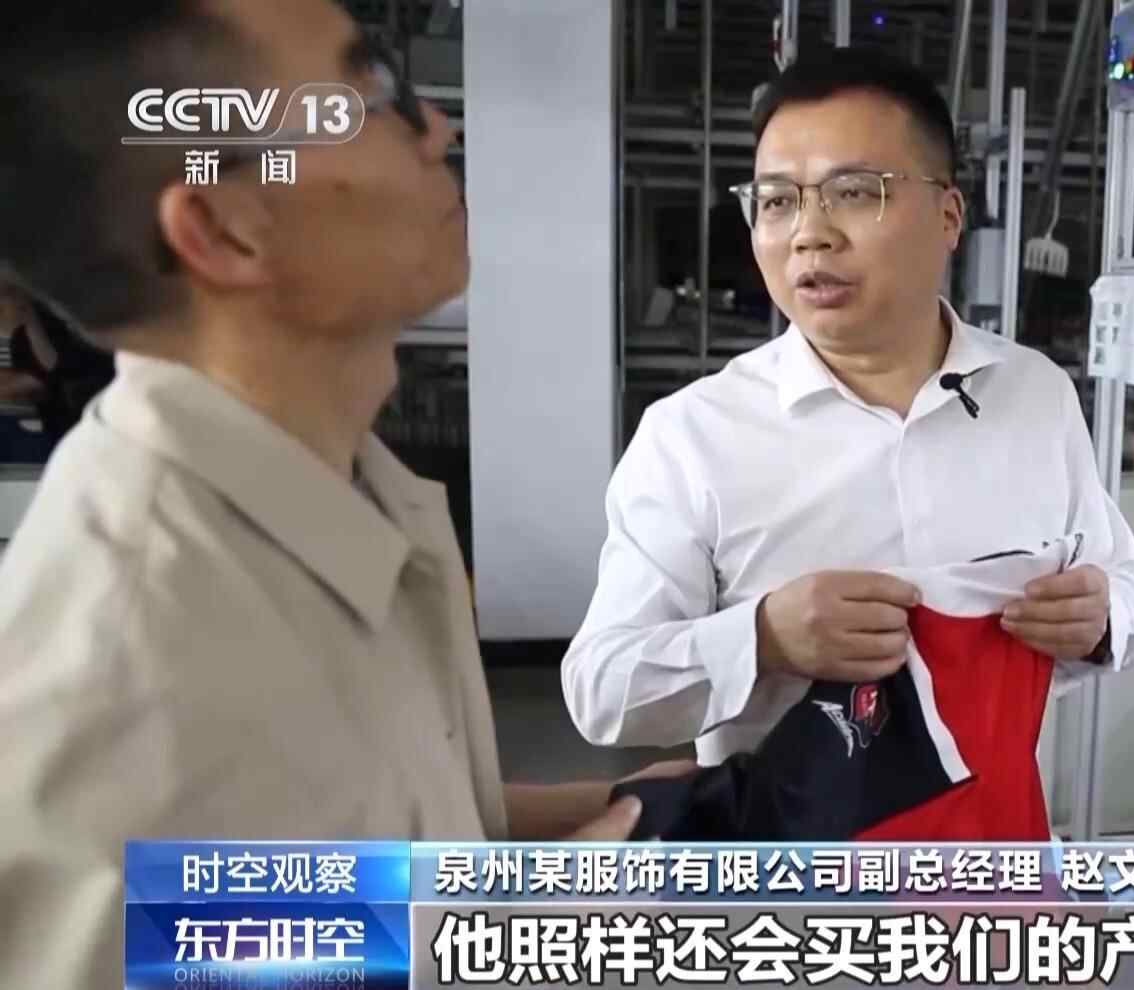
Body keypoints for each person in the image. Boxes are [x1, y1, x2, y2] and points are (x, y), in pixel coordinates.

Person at [0, 4, 676, 985]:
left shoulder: (355, 499)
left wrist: (597, 808)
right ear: (225, 227)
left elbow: (353, 840)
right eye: (373, 96)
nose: (438, 127)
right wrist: (535, 923)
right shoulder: (126, 675)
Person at [562, 51, 1134, 781]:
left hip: (993, 838)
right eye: (777, 201)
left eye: (853, 192)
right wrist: (762, 638)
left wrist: (1100, 621)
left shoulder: (1035, 394)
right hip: (789, 851)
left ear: (948, 216)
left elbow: (1123, 582)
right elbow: (603, 689)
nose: (809, 233)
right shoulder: (693, 434)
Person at [0, 286, 117, 444]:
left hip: (85, 410)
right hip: (62, 422)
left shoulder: (48, 319)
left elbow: (50, 368)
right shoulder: (19, 337)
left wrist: (31, 322)